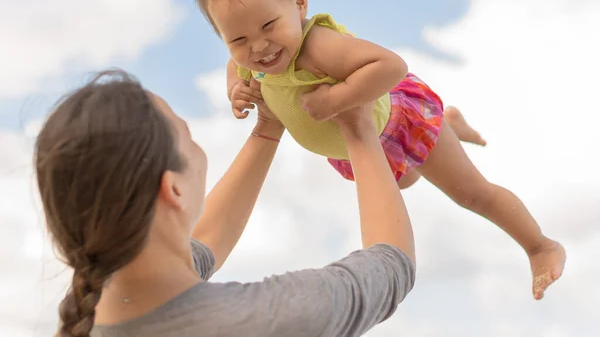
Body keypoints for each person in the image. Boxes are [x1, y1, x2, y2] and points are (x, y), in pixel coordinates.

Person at [193, 0, 565, 300]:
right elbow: (235, 67)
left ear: (299, 3)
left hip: (400, 123)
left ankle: (539, 246)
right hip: (361, 148)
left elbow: (391, 65)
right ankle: (448, 122)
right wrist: (235, 91)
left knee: (471, 193)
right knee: (404, 184)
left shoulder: (318, 47)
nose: (258, 46)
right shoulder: (250, 60)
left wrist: (337, 97)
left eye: (269, 25)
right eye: (238, 39)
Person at [37, 70, 416, 337]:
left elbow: (198, 246)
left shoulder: (99, 312)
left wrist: (268, 127)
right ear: (174, 188)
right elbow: (392, 265)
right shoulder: (264, 320)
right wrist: (360, 128)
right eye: (187, 135)